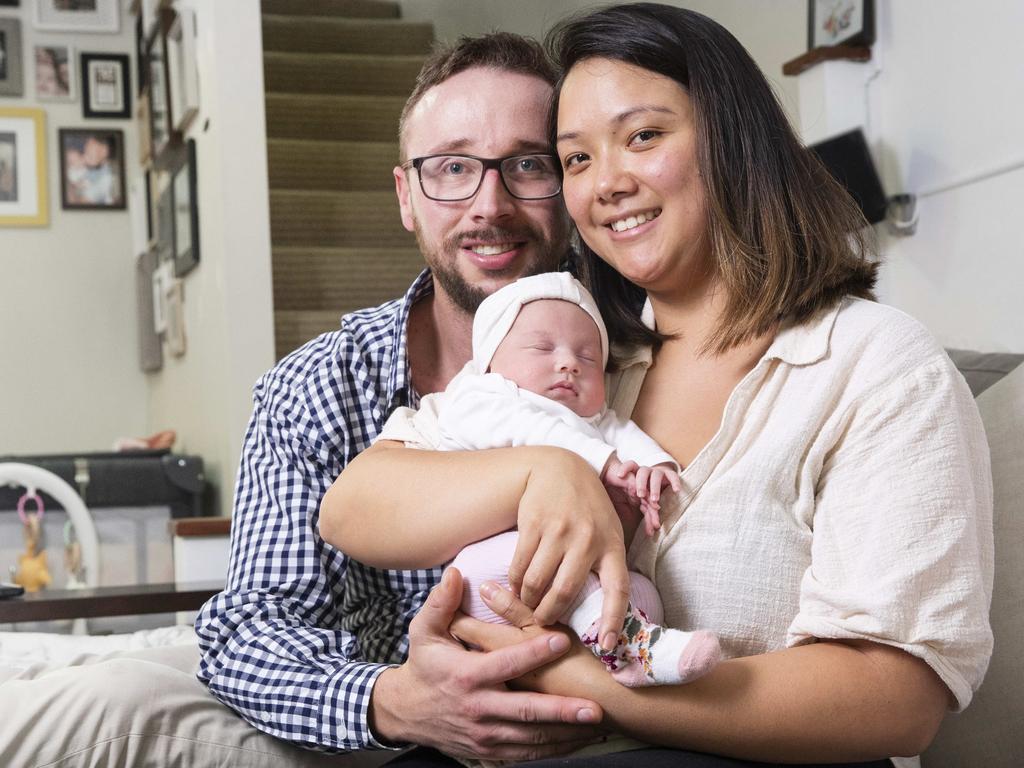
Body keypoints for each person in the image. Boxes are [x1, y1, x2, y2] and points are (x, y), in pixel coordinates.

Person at [325, 5, 993, 768]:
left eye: (643, 136)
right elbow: (353, 503)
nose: (606, 183)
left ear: (732, 139)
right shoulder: (580, 363)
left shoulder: (871, 363)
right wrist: (541, 470)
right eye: (575, 160)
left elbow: (897, 701)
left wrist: (591, 683)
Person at [0, 33, 625, 768]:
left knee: (118, 705)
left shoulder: (638, 348)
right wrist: (391, 702)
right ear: (406, 198)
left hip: (577, 706)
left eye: (528, 165)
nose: (489, 203)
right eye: (452, 168)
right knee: (81, 694)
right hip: (366, 714)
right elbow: (251, 625)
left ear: (572, 180)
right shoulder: (318, 386)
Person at [325, 271, 719, 688]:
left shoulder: (593, 419)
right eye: (542, 348)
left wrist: (654, 467)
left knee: (640, 589)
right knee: (514, 558)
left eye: (587, 357)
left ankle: (625, 653)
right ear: (491, 359)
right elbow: (532, 431)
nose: (568, 362)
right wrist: (601, 462)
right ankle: (627, 647)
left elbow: (623, 433)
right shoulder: (481, 398)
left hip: (569, 574)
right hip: (492, 572)